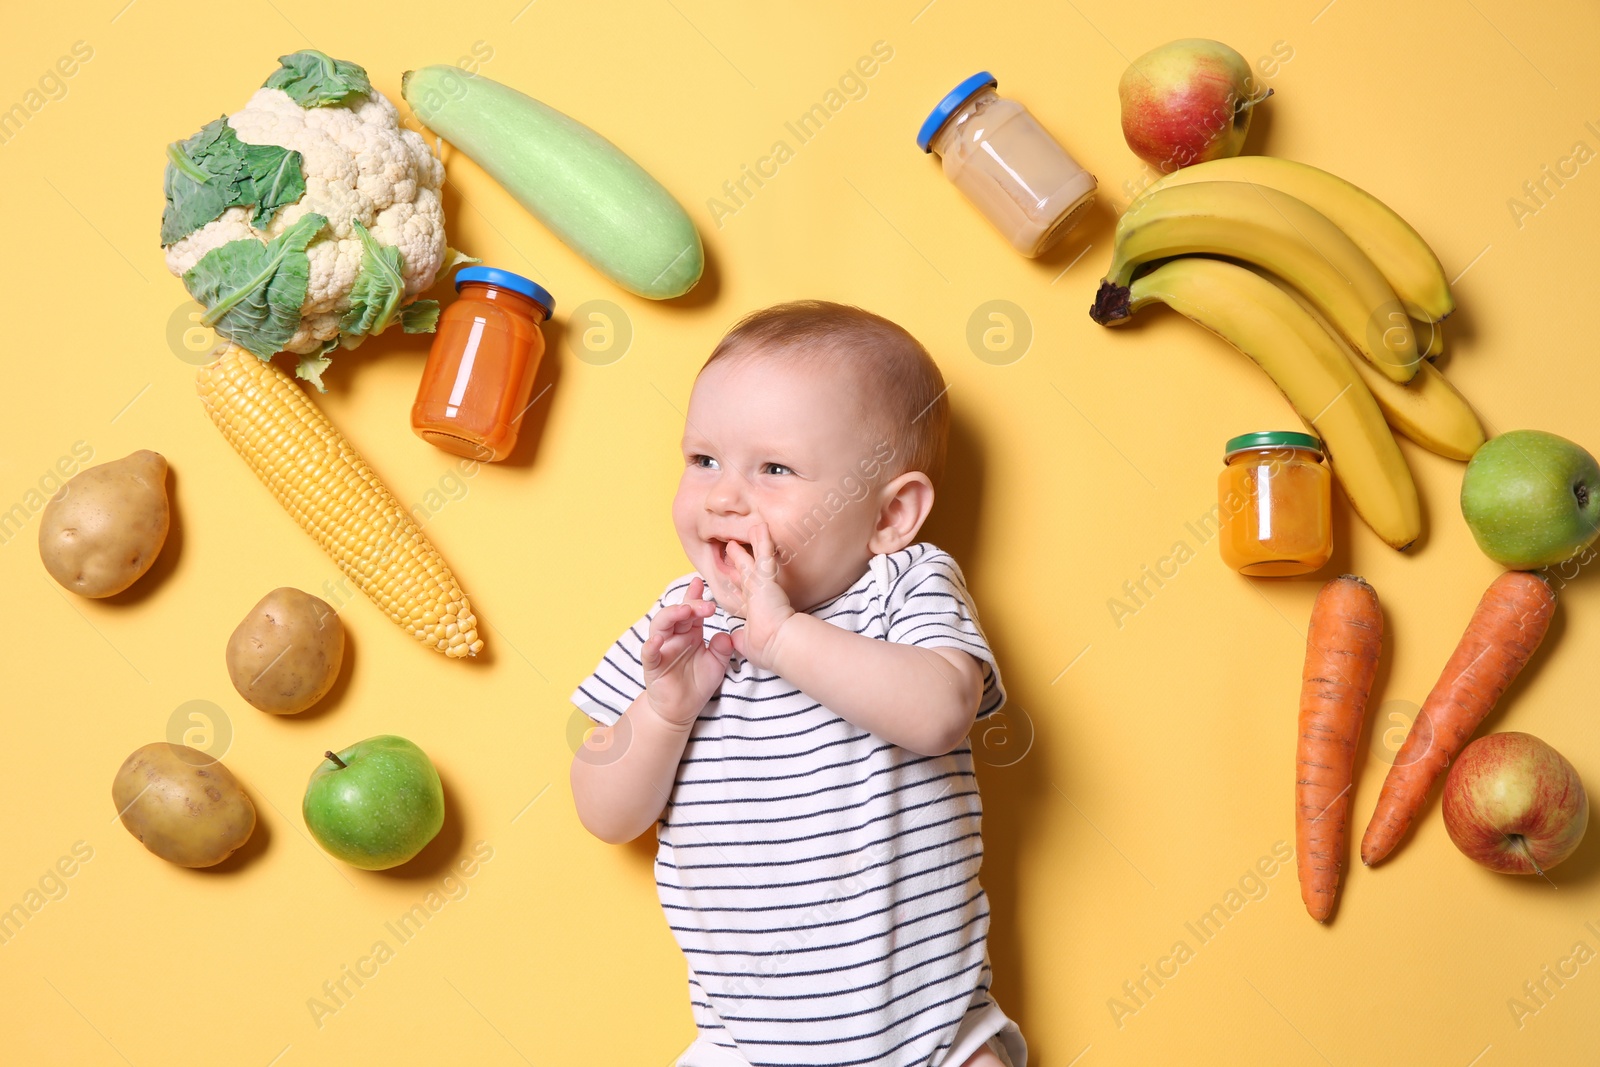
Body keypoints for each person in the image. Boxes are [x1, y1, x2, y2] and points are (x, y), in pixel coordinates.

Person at [569, 300, 1026, 1067]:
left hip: (937, 1036)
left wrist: (781, 637)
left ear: (890, 515)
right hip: (744, 1048)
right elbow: (604, 810)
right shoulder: (684, 621)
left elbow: (943, 710)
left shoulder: (904, 586)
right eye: (703, 459)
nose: (722, 496)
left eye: (774, 469)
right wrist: (665, 708)